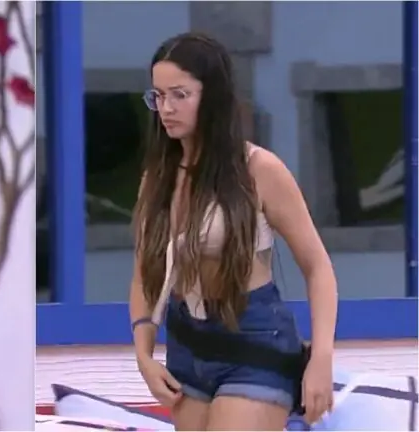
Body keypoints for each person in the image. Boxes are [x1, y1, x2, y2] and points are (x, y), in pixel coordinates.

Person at [129, 32, 338, 431]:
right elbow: (144, 273)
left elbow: (317, 267)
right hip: (187, 341)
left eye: (180, 95)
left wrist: (322, 358)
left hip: (253, 338)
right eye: (157, 96)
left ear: (213, 96)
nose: (166, 108)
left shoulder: (259, 170)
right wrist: (143, 354)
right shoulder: (157, 178)